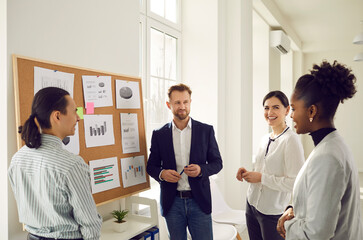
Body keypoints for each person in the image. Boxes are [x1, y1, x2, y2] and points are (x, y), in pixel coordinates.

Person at [276, 60, 363, 239]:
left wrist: (288, 224)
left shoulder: (327, 157)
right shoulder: (333, 146)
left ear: (311, 111)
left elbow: (317, 234)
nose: (291, 115)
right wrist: (293, 210)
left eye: (293, 108)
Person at [8, 87, 102, 240]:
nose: (78, 118)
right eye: (74, 111)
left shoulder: (18, 158)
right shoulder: (72, 165)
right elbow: (90, 224)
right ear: (57, 116)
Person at [146, 83, 223, 240]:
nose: (182, 106)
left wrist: (201, 170)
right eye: (177, 102)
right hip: (172, 203)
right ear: (169, 105)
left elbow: (217, 163)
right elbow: (151, 166)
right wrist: (162, 174)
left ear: (190, 102)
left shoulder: (205, 131)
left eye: (185, 102)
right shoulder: (159, 134)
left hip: (199, 202)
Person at [236, 90, 305, 240]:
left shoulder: (291, 141)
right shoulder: (264, 139)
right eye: (266, 108)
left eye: (276, 107)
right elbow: (263, 170)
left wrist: (261, 178)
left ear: (287, 110)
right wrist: (248, 173)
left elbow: (295, 183)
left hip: (272, 213)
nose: (270, 112)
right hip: (251, 205)